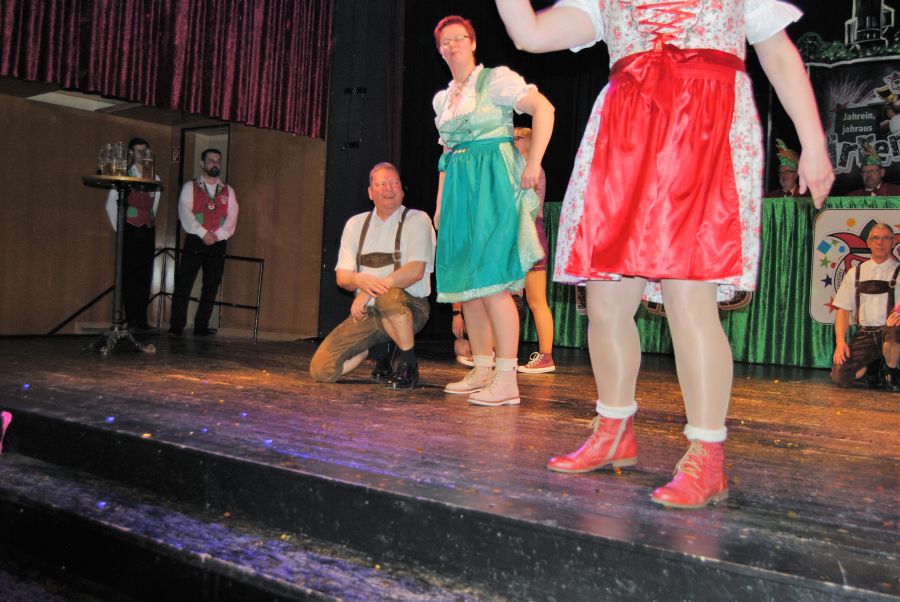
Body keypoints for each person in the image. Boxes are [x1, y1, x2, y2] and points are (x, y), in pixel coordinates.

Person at [495, 0, 834, 508]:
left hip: (703, 130)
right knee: (606, 302)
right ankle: (614, 428)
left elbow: (779, 54)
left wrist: (813, 142)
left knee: (688, 299)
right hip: (625, 137)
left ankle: (707, 454)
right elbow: (529, 34)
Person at [432, 15, 555, 406]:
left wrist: (533, 163)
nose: (453, 45)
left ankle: (506, 377)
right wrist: (440, 204)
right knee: (467, 285)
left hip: (492, 184)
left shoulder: (495, 80)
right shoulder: (443, 99)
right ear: (440, 50)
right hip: (459, 190)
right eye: (445, 41)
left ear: (472, 43)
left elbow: (544, 108)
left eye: (459, 38)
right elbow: (446, 153)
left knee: (493, 282)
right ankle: (482, 367)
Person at [309, 163, 436, 389]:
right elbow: (343, 277)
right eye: (382, 184)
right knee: (321, 369)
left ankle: (408, 365)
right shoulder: (355, 224)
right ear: (370, 192)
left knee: (389, 297)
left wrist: (369, 291)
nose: (389, 188)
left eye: (394, 183)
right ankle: (376, 348)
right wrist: (360, 281)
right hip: (369, 314)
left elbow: (415, 271)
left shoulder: (418, 220)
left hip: (409, 307)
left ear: (402, 190)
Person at [169, 149, 239, 336]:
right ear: (202, 163)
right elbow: (184, 211)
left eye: (218, 160)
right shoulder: (190, 186)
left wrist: (218, 235)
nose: (215, 163)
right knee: (185, 282)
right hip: (195, 239)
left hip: (218, 241)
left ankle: (201, 326)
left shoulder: (228, 190)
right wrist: (202, 232)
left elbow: (232, 216)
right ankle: (176, 325)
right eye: (211, 160)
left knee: (211, 285)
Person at [831, 223, 900, 391]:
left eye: (886, 238)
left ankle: (891, 371)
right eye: (875, 238)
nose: (880, 242)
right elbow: (843, 311)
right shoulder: (854, 273)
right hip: (866, 334)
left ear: (893, 242)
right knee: (840, 376)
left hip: (893, 332)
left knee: (893, 334)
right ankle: (872, 365)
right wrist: (840, 342)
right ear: (868, 243)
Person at [104, 137, 160, 330]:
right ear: (131, 153)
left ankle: (141, 319)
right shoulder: (124, 175)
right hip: (129, 229)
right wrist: (121, 229)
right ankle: (131, 318)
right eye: (138, 151)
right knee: (129, 276)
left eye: (145, 150)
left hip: (147, 230)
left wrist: (148, 220)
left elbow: (155, 204)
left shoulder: (154, 176)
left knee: (145, 275)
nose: (142, 154)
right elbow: (111, 205)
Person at [513, 126, 556, 373]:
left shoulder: (532, 169)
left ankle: (546, 356)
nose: (512, 141)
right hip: (519, 233)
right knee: (508, 297)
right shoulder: (520, 167)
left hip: (529, 232)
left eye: (517, 138)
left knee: (536, 299)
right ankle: (498, 351)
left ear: (530, 142)